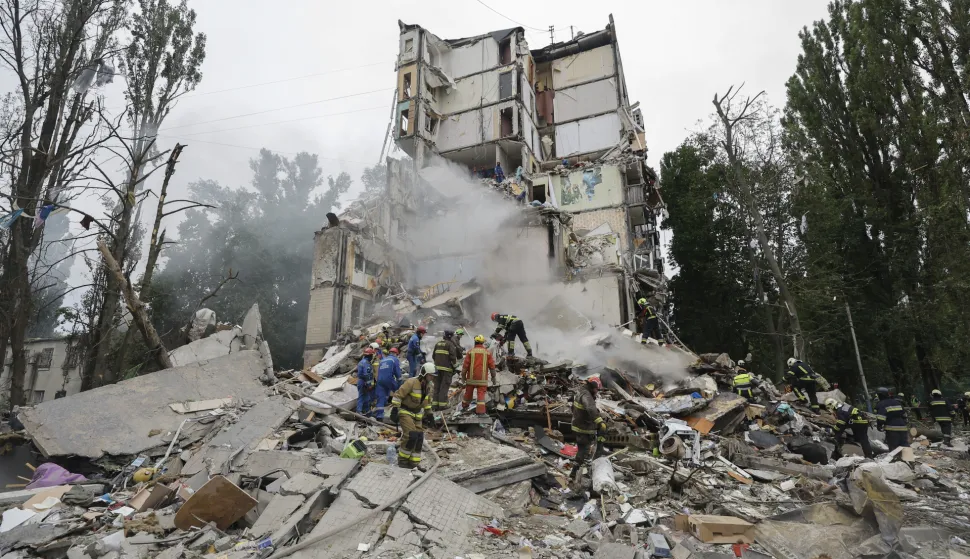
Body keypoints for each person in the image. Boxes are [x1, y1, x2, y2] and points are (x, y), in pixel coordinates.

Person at [389, 363, 435, 468]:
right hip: (405, 411)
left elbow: (427, 402)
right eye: (430, 375)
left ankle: (414, 462)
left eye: (433, 376)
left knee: (419, 437)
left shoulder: (429, 386)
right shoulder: (411, 382)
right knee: (411, 435)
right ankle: (403, 461)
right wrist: (395, 410)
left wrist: (430, 415)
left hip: (417, 413)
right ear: (424, 374)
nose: (432, 378)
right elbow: (398, 395)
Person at [571, 376, 608, 483]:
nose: (597, 391)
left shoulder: (581, 391)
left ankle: (576, 472)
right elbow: (591, 409)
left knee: (583, 450)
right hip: (584, 428)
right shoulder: (586, 395)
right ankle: (578, 473)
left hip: (579, 425)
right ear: (592, 386)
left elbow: (573, 408)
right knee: (585, 451)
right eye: (596, 389)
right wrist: (599, 421)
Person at [462, 334, 497, 415]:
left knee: (468, 393)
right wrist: (493, 378)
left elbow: (465, 367)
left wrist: (463, 377)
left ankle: (464, 407)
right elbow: (492, 367)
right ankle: (480, 412)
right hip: (482, 380)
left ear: (475, 342)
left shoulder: (470, 352)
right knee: (481, 395)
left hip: (471, 379)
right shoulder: (487, 353)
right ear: (482, 343)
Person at [431, 330, 460, 411]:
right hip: (447, 370)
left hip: (437, 370)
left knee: (437, 386)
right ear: (450, 336)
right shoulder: (450, 344)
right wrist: (455, 367)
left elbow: (433, 356)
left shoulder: (438, 344)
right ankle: (442, 405)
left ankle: (434, 405)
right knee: (444, 386)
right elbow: (453, 357)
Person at [875, 386, 909, 451]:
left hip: (891, 428)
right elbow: (904, 415)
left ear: (880, 395)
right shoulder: (897, 402)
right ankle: (908, 456)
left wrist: (879, 426)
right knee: (905, 445)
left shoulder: (881, 404)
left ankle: (896, 457)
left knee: (894, 447)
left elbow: (881, 419)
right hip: (903, 427)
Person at [375, 347, 403, 420]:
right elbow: (397, 372)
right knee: (398, 393)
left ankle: (379, 416)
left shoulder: (382, 360)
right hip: (389, 379)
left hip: (380, 380)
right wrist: (400, 382)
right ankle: (398, 411)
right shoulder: (394, 359)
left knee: (381, 397)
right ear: (395, 354)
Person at [356, 348, 376, 417]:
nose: (372, 357)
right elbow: (367, 374)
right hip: (364, 382)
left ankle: (366, 411)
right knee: (362, 396)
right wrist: (369, 384)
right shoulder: (366, 363)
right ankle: (359, 411)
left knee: (366, 397)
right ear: (370, 355)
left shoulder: (361, 362)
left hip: (361, 381)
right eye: (372, 355)